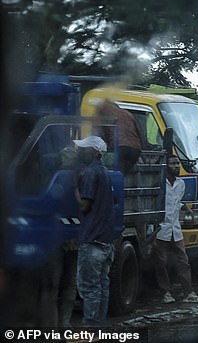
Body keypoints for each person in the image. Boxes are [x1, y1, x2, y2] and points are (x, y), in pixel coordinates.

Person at [73, 135, 117, 326]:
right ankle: (98, 326)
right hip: (106, 241)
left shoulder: (90, 173)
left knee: (89, 288)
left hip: (92, 240)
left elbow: (84, 206)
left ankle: (90, 329)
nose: (79, 151)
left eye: (83, 148)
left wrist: (74, 187)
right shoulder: (105, 172)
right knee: (102, 285)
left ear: (94, 152)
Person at [154, 154, 198, 304]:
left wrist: (185, 208)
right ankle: (165, 292)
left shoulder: (181, 184)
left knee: (183, 261)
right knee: (161, 263)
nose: (177, 166)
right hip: (160, 229)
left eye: (177, 163)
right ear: (166, 166)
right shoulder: (159, 184)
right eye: (173, 163)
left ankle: (188, 292)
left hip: (175, 229)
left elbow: (175, 202)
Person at [97, 99, 143, 175]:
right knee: (122, 174)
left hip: (120, 147)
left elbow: (100, 132)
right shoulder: (127, 113)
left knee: (114, 174)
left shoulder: (102, 109)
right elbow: (138, 132)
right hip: (136, 149)